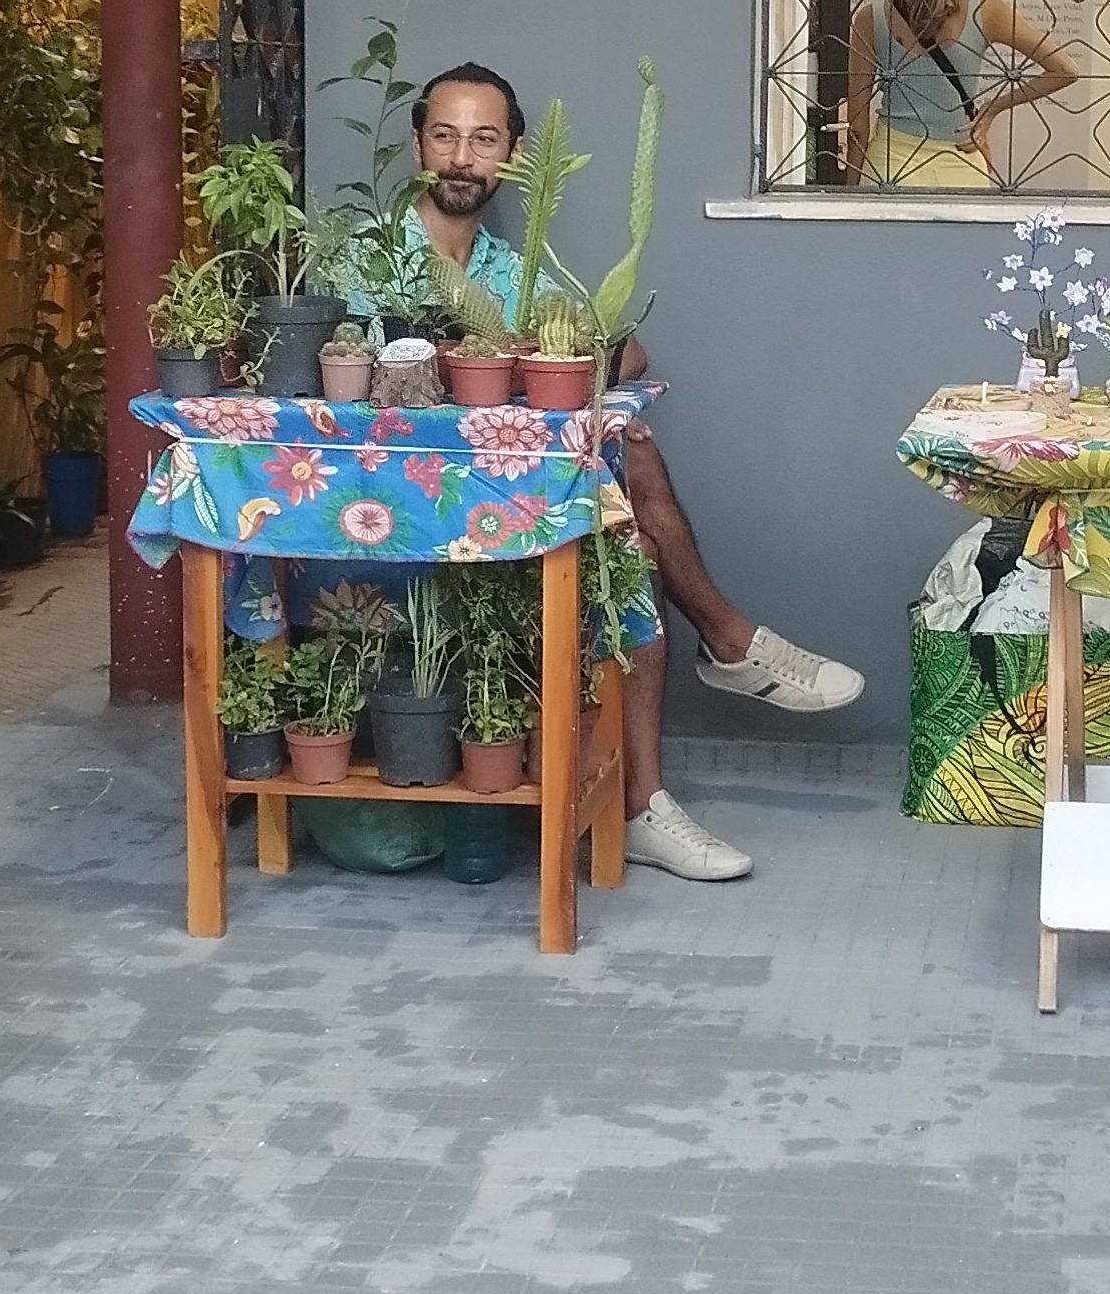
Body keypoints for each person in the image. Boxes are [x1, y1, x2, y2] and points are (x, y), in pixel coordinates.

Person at [362, 61, 865, 882]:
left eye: (483, 139)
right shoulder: (370, 256)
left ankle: (648, 794)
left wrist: (559, 348)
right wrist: (502, 359)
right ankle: (723, 655)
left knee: (632, 517)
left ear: (513, 155)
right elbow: (361, 378)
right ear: (418, 144)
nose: (461, 157)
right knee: (632, 501)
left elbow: (626, 353)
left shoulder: (509, 268)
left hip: (503, 499)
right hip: (397, 512)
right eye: (445, 136)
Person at [844, 0, 1075, 187]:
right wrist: (993, 108)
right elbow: (1066, 70)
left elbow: (857, 128)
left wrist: (850, 192)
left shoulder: (872, 18)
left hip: (890, 167)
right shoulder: (986, 11)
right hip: (962, 162)